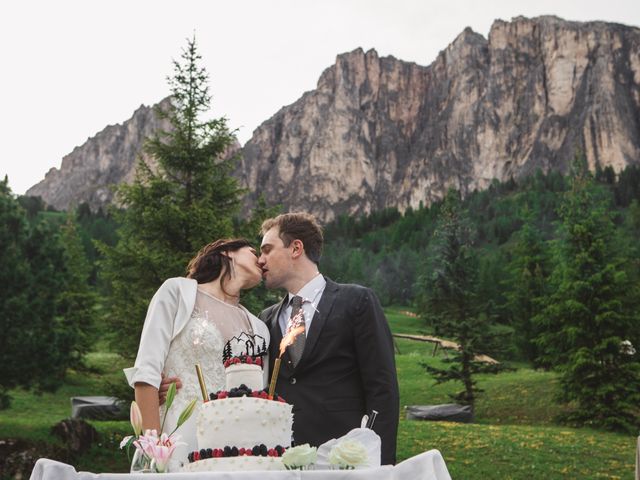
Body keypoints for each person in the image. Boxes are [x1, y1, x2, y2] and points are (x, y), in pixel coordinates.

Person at [258, 212, 399, 465]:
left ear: (296, 248)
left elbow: (382, 388)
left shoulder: (357, 301)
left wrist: (380, 463)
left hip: (343, 457)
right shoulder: (266, 319)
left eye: (267, 250)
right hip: (282, 460)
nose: (260, 260)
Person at [124, 238, 268, 470]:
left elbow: (260, 398)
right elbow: (146, 374)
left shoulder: (258, 328)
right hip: (179, 437)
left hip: (236, 451)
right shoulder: (178, 292)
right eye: (254, 252)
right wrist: (154, 455)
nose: (262, 259)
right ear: (228, 252)